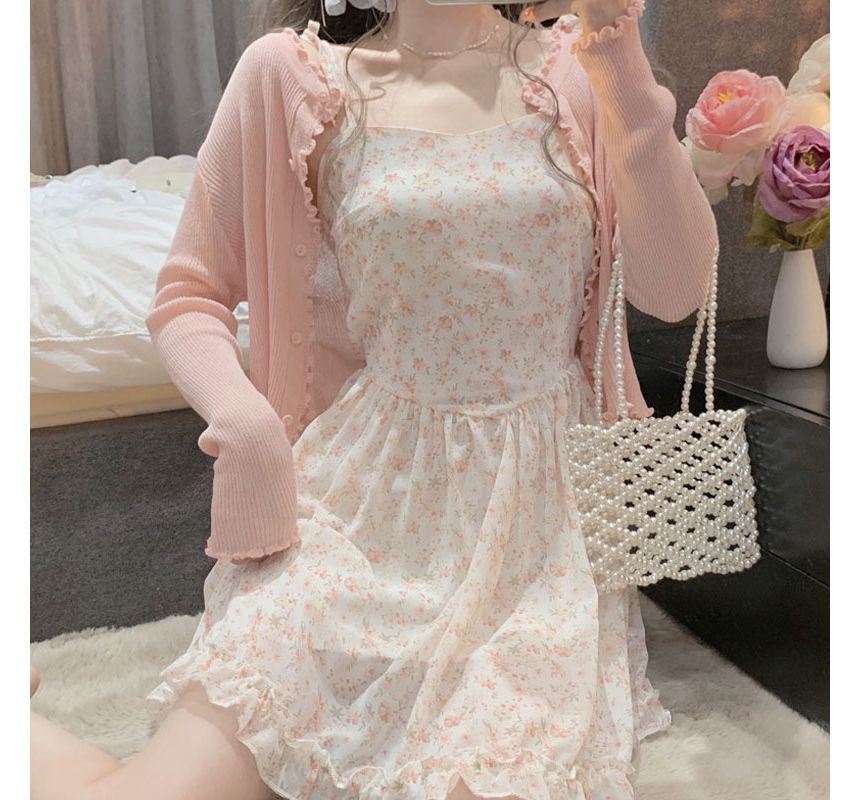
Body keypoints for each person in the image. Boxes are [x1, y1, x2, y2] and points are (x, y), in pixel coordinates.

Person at [30, 1, 719, 798]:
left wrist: (617, 50)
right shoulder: (295, 80)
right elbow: (189, 292)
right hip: (363, 504)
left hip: (535, 529)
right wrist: (246, 422)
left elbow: (676, 287)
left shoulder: (576, 70)